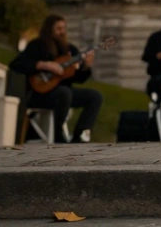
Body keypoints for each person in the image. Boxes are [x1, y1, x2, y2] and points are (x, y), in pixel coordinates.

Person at [10, 14, 102, 143]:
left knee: (94, 96)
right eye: (58, 28)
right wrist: (44, 65)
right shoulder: (37, 45)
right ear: (49, 30)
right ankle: (58, 135)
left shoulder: (70, 50)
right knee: (64, 93)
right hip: (40, 94)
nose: (62, 32)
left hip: (64, 92)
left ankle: (80, 134)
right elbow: (16, 64)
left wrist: (86, 67)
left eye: (64, 28)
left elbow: (78, 78)